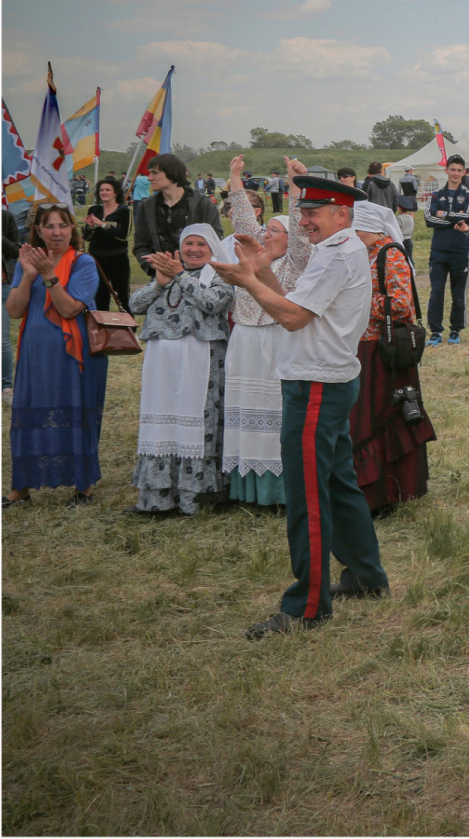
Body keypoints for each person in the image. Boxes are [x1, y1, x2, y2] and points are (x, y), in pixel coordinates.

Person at [211, 176, 390, 638]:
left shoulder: (337, 254)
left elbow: (292, 319)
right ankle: (367, 577)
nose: (304, 222)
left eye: (313, 213)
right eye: (304, 213)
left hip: (315, 384)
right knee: (337, 484)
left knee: (308, 495)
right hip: (325, 379)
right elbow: (294, 302)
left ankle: (308, 606)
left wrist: (247, 280)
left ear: (341, 215)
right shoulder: (336, 250)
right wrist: (264, 270)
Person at [4, 205, 108, 507]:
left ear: (72, 229)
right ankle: (21, 488)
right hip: (34, 353)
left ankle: (83, 486)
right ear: (38, 230)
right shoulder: (29, 262)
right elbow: (13, 311)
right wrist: (27, 276)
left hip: (72, 355)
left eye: (62, 225)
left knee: (75, 412)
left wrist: (50, 276)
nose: (56, 232)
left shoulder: (82, 263)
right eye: (49, 226)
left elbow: (68, 309)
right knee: (29, 412)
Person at [224, 155, 312, 509]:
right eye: (266, 230)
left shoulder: (297, 261)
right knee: (246, 408)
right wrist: (234, 178)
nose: (265, 235)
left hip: (279, 341)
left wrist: (294, 185)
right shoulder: (252, 256)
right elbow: (244, 221)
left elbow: (299, 226)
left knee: (275, 410)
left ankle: (281, 491)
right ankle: (247, 489)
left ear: (291, 238)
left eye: (274, 231)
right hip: (244, 341)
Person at [128, 225, 235, 515]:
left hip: (202, 359)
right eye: (188, 243)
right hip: (162, 362)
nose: (194, 249)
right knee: (163, 424)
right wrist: (159, 283)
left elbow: (213, 304)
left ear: (213, 249)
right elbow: (134, 305)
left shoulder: (222, 276)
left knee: (199, 423)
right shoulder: (169, 276)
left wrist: (180, 276)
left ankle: (193, 499)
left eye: (202, 243)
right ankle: (157, 499)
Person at [351, 201, 436, 512]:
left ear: (373, 229)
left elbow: (400, 304)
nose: (353, 235)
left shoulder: (391, 254)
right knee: (366, 419)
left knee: (380, 417)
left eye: (356, 229)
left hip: (383, 350)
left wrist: (358, 298)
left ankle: (388, 492)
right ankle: (374, 490)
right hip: (364, 346)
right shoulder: (365, 253)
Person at [132, 153, 222, 275]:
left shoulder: (203, 205)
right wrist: (152, 264)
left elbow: (216, 241)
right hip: (161, 278)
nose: (149, 178)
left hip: (198, 279)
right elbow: (141, 246)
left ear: (171, 173)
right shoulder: (147, 207)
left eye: (155, 173)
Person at [424, 154, 469, 345]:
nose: (455, 173)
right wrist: (454, 216)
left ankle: (456, 330)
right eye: (452, 169)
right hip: (438, 251)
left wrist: (442, 214)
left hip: (460, 251)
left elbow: (467, 218)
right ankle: (435, 332)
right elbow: (429, 220)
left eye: (459, 170)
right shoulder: (436, 194)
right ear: (446, 170)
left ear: (463, 172)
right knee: (436, 291)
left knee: (458, 293)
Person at [82, 178, 132, 314]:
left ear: (115, 193)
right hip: (96, 258)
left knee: (122, 295)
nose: (104, 192)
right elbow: (87, 237)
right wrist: (91, 228)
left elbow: (123, 235)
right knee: (100, 296)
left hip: (118, 258)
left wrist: (102, 225)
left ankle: (129, 330)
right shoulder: (94, 210)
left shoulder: (124, 211)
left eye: (108, 190)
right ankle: (103, 330)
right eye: (101, 190)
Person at [1, 206, 18, 401]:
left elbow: (16, 251)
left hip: (2, 284)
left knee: (2, 340)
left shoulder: (5, 218)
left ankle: (6, 386)